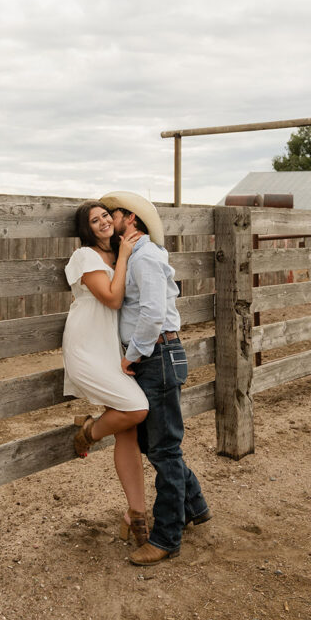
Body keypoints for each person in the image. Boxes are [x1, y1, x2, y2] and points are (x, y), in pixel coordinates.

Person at [100, 190, 211, 566]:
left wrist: (130, 357)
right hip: (159, 353)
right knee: (157, 444)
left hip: (155, 353)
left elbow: (151, 314)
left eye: (112, 214)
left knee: (163, 449)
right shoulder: (140, 255)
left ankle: (166, 537)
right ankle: (195, 505)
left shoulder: (145, 257)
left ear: (129, 218)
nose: (108, 220)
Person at [62, 201, 150, 547]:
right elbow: (113, 299)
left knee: (129, 428)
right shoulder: (84, 257)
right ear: (86, 229)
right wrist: (126, 254)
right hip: (85, 346)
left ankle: (137, 515)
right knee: (136, 408)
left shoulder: (118, 253)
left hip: (110, 348)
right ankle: (89, 431)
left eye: (104, 217)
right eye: (94, 220)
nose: (101, 223)